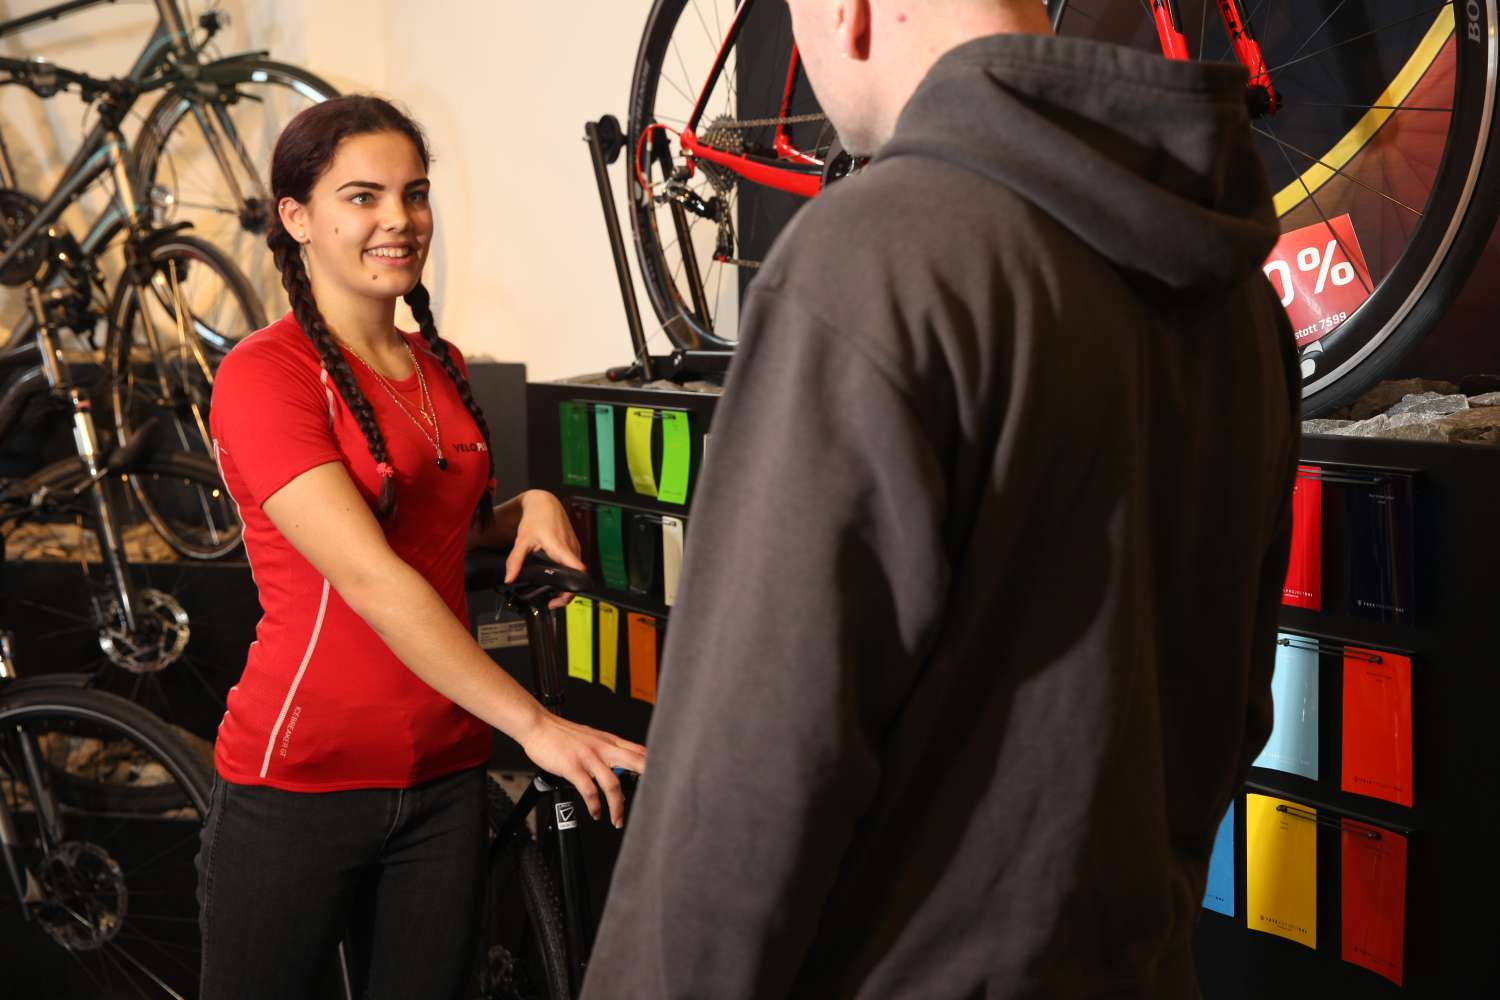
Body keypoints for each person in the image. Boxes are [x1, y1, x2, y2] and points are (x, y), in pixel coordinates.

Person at [583, 1, 1298, 997]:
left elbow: (743, 788)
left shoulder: (877, 257)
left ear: (849, 10)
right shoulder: (1243, 302)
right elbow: (1231, 711)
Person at [197, 96, 645, 999]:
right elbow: (372, 576)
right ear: (297, 218)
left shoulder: (442, 366)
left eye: (414, 193)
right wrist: (536, 726)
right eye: (362, 197)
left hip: (445, 773)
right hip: (304, 780)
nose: (398, 219)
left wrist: (528, 506)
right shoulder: (266, 375)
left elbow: (438, 528)